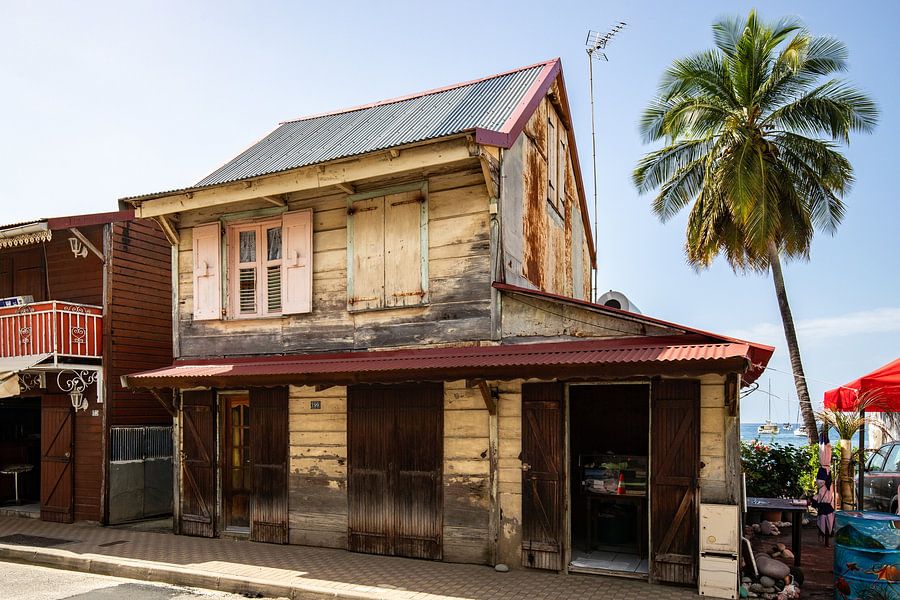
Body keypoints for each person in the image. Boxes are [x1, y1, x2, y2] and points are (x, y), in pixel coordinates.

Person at [812, 429, 835, 546]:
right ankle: (825, 537)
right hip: (826, 500)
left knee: (825, 515)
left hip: (825, 499)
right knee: (826, 515)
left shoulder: (824, 468)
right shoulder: (824, 469)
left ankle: (825, 536)